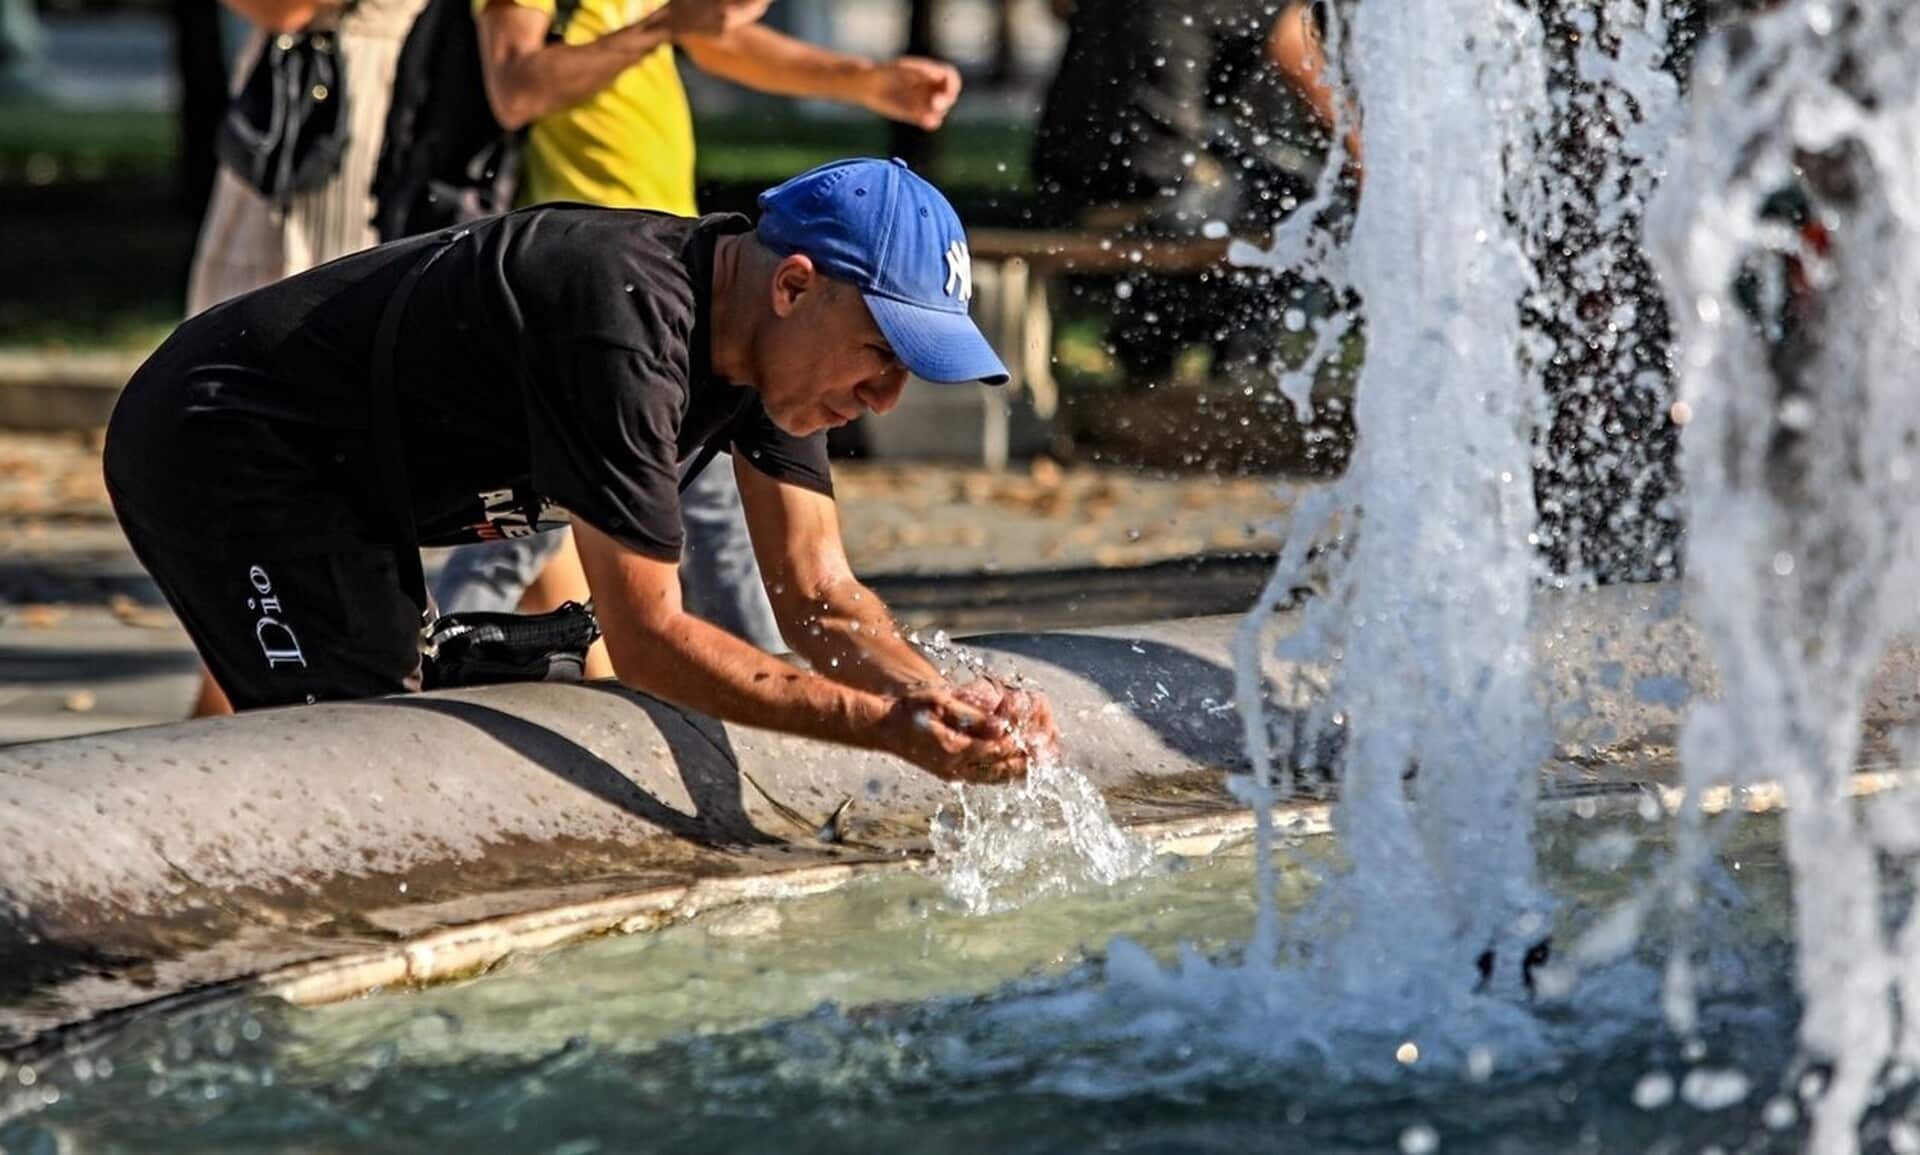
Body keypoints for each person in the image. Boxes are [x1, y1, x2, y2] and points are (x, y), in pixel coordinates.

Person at [104, 158, 1058, 784]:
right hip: (227, 438)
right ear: (795, 284)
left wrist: (937, 699)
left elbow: (819, 595)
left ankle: (451, 666)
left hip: (356, 477)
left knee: (412, 718)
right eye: (882, 352)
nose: (885, 397)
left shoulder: (774, 358)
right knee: (352, 754)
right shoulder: (624, 321)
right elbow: (652, 644)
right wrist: (883, 729)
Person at [433, 0, 967, 666]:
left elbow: (719, 40)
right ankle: (426, 673)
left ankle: (760, 692)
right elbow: (517, 88)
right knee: (527, 533)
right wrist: (662, 26)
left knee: (691, 540)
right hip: (593, 294)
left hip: (687, 282)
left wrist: (864, 82)